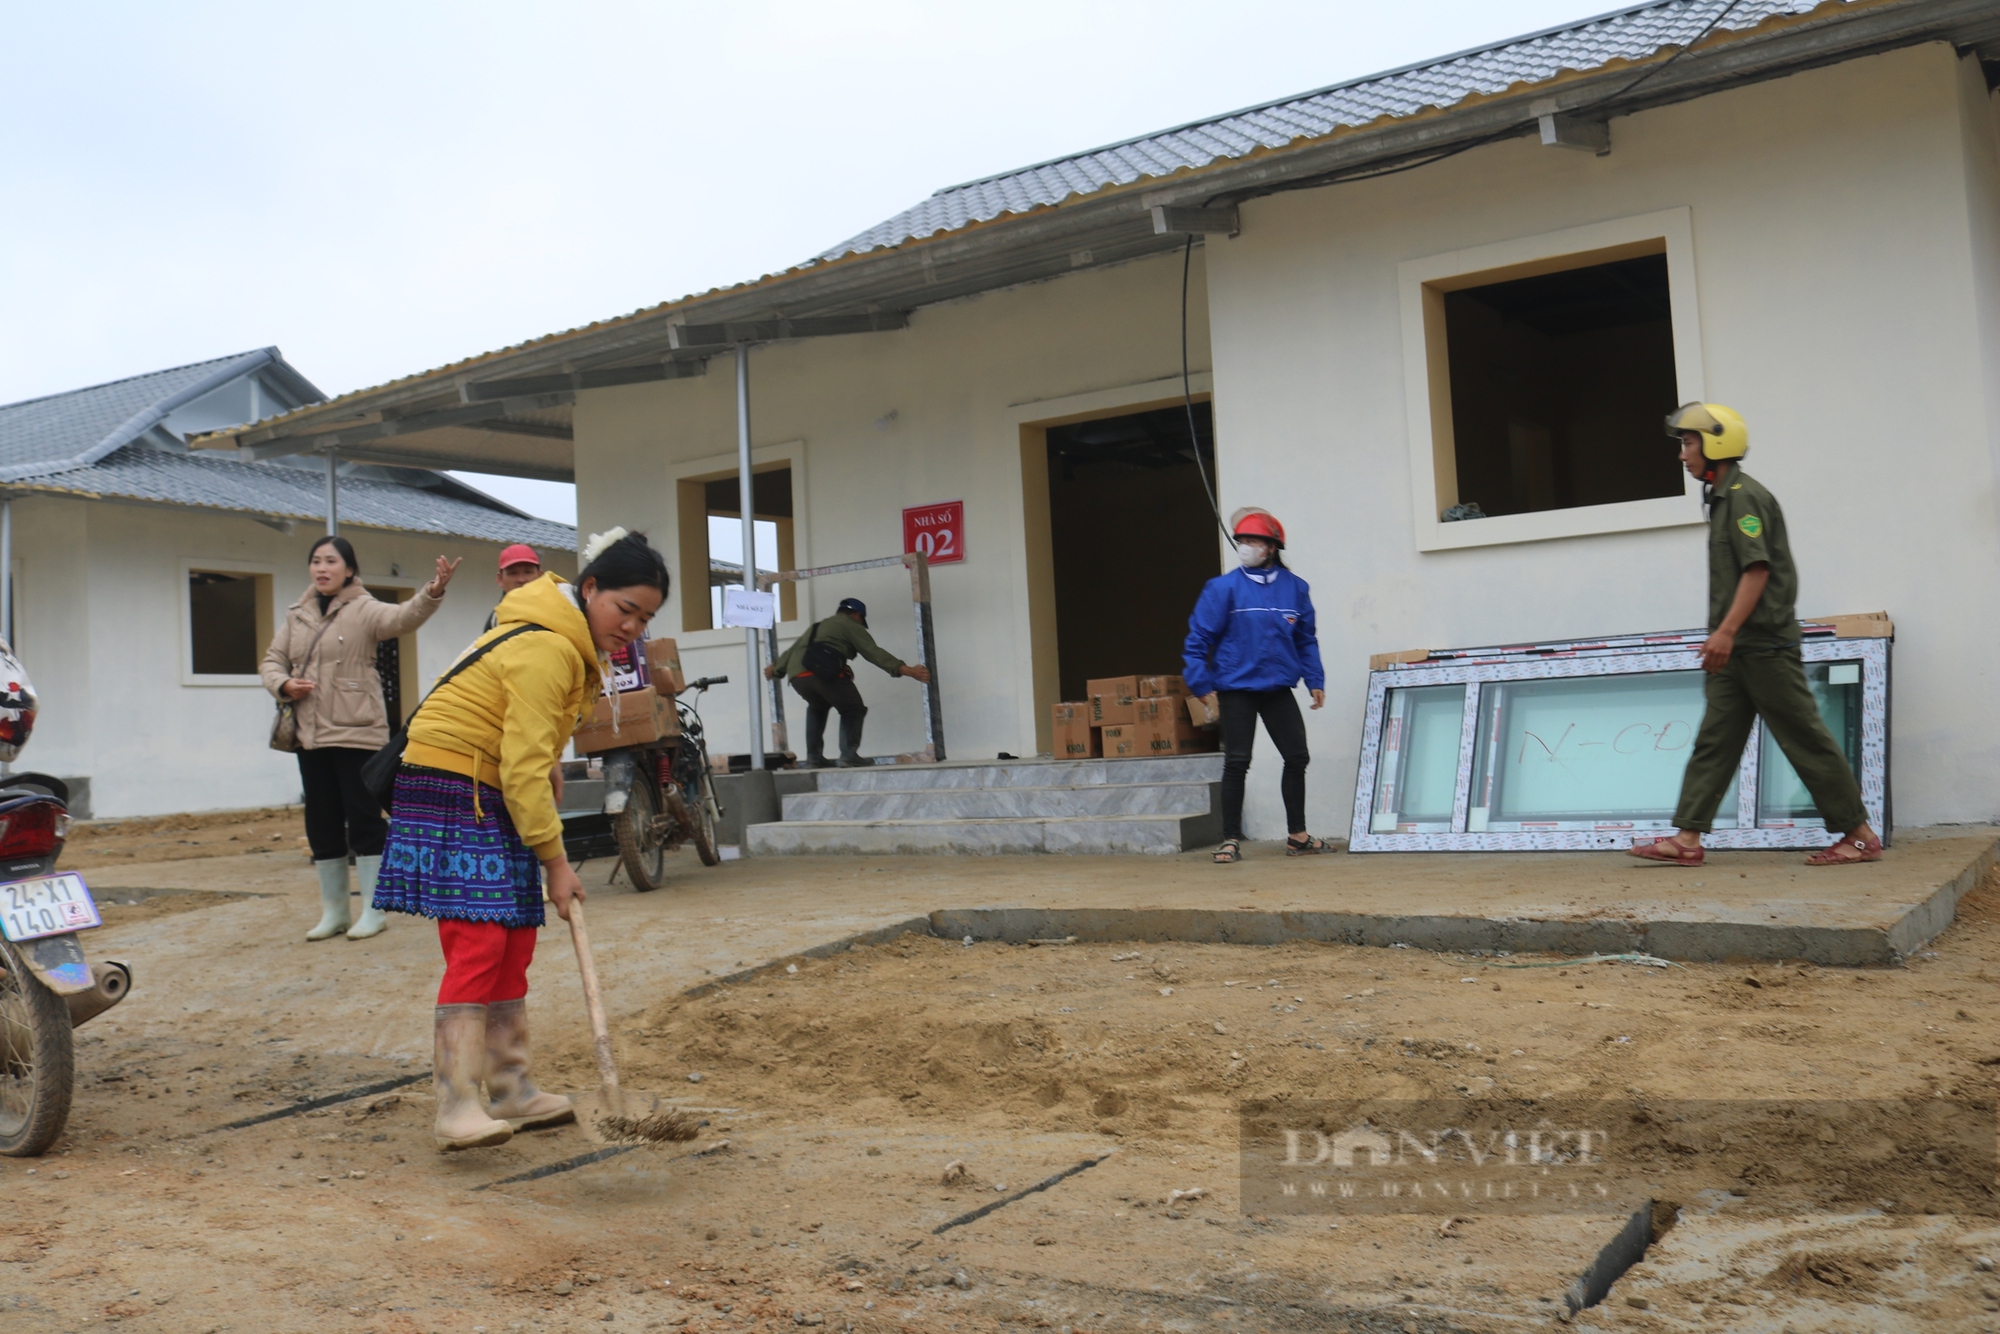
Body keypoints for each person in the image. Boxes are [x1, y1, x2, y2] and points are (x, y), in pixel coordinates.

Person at [371, 528, 669, 1151]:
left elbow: (524, 735)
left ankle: (512, 1089)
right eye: (625, 609)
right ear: (590, 589)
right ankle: (457, 1104)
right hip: (452, 786)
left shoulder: (565, 635)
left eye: (646, 618)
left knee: (513, 940)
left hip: (488, 783)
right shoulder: (552, 648)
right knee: (479, 940)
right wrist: (557, 864)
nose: (633, 628)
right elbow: (522, 765)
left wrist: (545, 763)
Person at [1629, 404, 1881, 867]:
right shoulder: (1722, 497)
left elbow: (1757, 571)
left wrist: (1725, 632)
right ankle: (1687, 838)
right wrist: (1725, 637)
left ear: (1716, 444)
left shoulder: (1745, 498)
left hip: (1763, 646)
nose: (1682, 455)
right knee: (1715, 740)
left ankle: (1860, 836)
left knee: (1802, 737)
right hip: (1737, 650)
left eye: (1688, 444)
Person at [261, 536, 459, 942]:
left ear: (349, 570)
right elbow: (271, 660)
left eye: (331, 561)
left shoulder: (365, 609)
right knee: (321, 821)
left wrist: (432, 591)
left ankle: (374, 909)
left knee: (365, 819)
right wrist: (283, 683)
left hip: (358, 732)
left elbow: (403, 617)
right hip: (310, 733)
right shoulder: (297, 614)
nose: (322, 568)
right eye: (316, 561)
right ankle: (334, 911)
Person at [1183, 508, 1331, 863]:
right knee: (1237, 761)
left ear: (1271, 547)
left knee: (1297, 756)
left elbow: (1305, 639)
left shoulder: (1295, 588)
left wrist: (1315, 679)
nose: (1245, 546)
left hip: (1277, 688)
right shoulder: (1222, 589)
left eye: (1253, 541)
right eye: (1243, 540)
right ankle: (1230, 839)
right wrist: (1200, 682)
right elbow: (1198, 639)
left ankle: (1298, 835)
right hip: (1236, 689)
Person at [764, 597, 931, 768]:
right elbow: (873, 652)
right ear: (857, 615)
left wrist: (775, 669)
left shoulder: (817, 627)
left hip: (798, 677)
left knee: (817, 707)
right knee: (853, 708)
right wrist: (907, 670)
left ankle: (814, 759)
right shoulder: (849, 624)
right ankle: (848, 756)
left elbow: (793, 650)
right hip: (822, 674)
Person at [484, 544, 542, 631]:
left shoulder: (556, 610)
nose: (521, 579)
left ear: (540, 576)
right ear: (500, 579)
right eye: (513, 573)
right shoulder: (495, 620)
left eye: (528, 572)